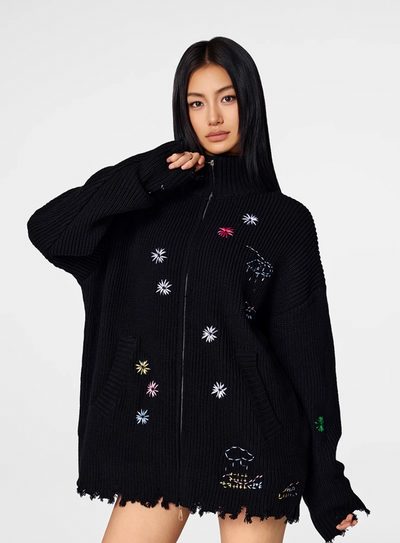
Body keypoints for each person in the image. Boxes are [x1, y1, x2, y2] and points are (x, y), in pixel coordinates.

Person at [27, 37, 370, 543]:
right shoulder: (144, 204)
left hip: (252, 439)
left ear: (249, 101)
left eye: (227, 98)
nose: (213, 117)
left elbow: (308, 355)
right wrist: (147, 173)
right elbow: (50, 230)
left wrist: (327, 478)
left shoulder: (285, 221)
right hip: (153, 437)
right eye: (196, 102)